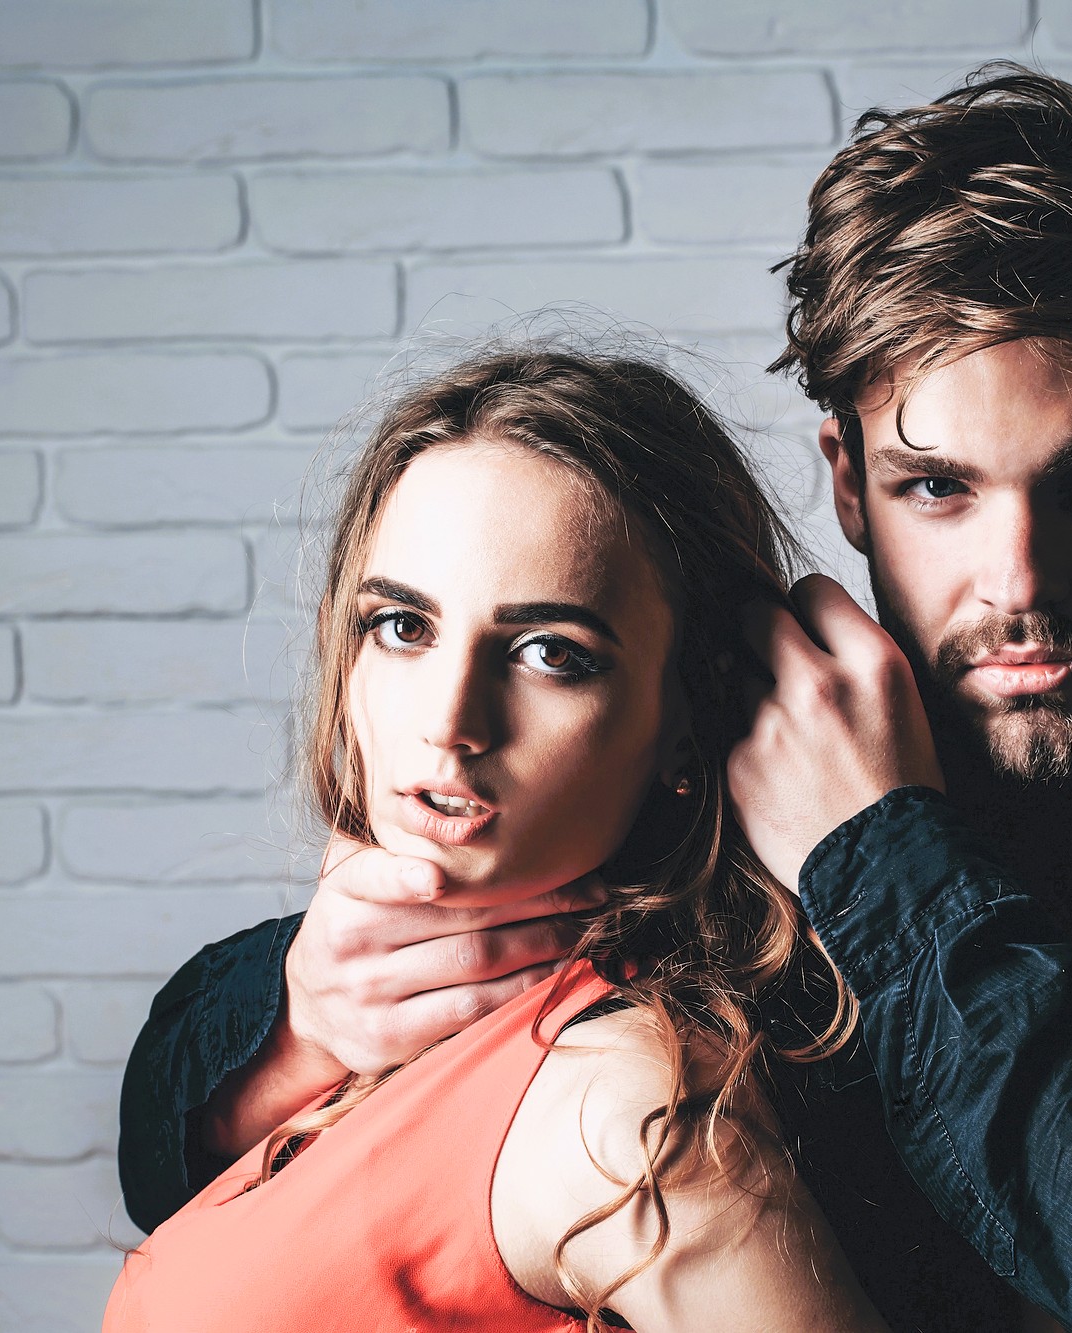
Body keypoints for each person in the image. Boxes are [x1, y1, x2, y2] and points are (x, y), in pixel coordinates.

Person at [120, 67, 1072, 1332]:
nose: (1019, 576)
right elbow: (188, 1107)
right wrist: (294, 1029)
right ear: (846, 483)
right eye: (936, 487)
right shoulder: (757, 809)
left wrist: (887, 862)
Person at [105, 347, 894, 1332]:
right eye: (401, 626)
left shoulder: (625, 1111)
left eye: (548, 653)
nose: (448, 721)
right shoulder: (378, 1033)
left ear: (683, 717)